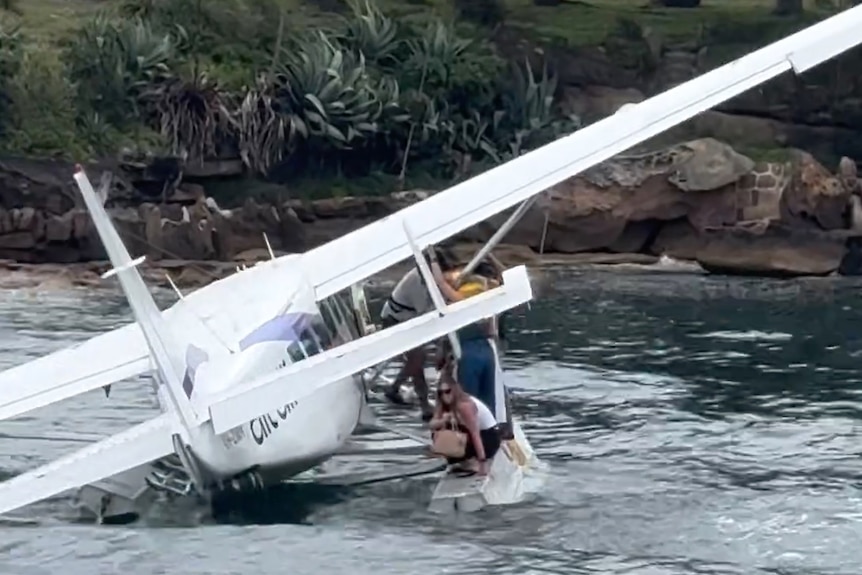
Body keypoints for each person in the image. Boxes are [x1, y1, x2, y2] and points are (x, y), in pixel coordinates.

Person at [381, 248, 456, 421]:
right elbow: (428, 314)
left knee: (422, 356)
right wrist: (439, 345)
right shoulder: (416, 281)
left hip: (411, 320)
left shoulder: (431, 280)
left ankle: (394, 388)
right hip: (395, 321)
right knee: (417, 358)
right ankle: (424, 405)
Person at [429, 256, 498, 417]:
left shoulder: (464, 302)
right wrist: (492, 258)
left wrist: (432, 258)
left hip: (468, 351)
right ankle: (491, 430)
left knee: (468, 398)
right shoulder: (489, 292)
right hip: (487, 350)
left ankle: (470, 430)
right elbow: (503, 277)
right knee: (488, 399)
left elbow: (440, 282)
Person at [429, 366, 501, 476]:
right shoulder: (443, 405)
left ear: (454, 390)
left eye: (447, 391)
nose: (444, 396)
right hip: (471, 436)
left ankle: (473, 461)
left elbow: (475, 434)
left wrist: (482, 463)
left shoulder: (465, 406)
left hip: (488, 437)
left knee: (455, 433)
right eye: (441, 393)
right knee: (438, 434)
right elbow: (432, 425)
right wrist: (443, 420)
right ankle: (464, 460)